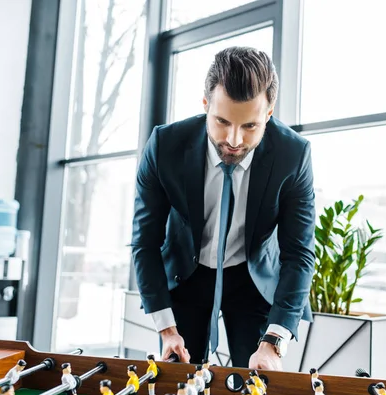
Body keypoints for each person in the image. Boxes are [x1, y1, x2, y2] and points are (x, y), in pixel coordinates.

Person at [132, 45, 315, 370]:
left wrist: (274, 343)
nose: (234, 140)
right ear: (206, 105)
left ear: (268, 114)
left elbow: (299, 254)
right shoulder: (164, 147)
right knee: (180, 378)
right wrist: (166, 328)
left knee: (259, 382)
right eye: (222, 121)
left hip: (253, 277)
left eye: (250, 126)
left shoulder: (293, 155)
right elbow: (144, 243)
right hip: (187, 274)